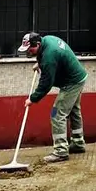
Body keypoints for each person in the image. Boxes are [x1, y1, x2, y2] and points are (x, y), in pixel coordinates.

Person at [18, 32, 88, 162]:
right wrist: (40, 63)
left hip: (71, 83)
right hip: (78, 77)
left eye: (30, 49)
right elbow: (51, 57)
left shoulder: (49, 57)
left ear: (37, 44)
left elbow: (46, 84)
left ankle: (61, 151)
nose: (28, 52)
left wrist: (32, 99)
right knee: (74, 111)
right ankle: (78, 143)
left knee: (57, 114)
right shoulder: (47, 40)